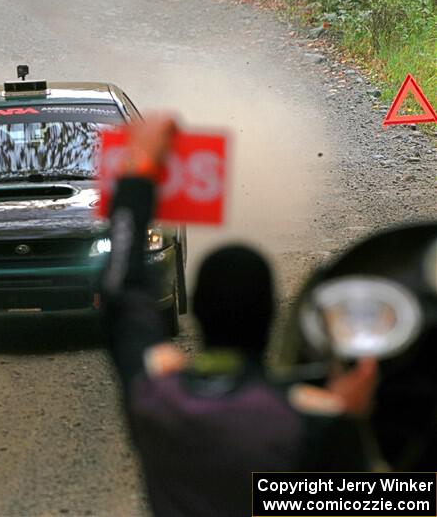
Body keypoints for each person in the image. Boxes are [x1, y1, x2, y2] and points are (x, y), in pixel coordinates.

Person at [101, 115, 377, 517]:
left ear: (195, 311)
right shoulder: (311, 421)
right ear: (271, 319)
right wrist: (353, 421)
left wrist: (138, 171)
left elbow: (122, 294)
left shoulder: (157, 399)